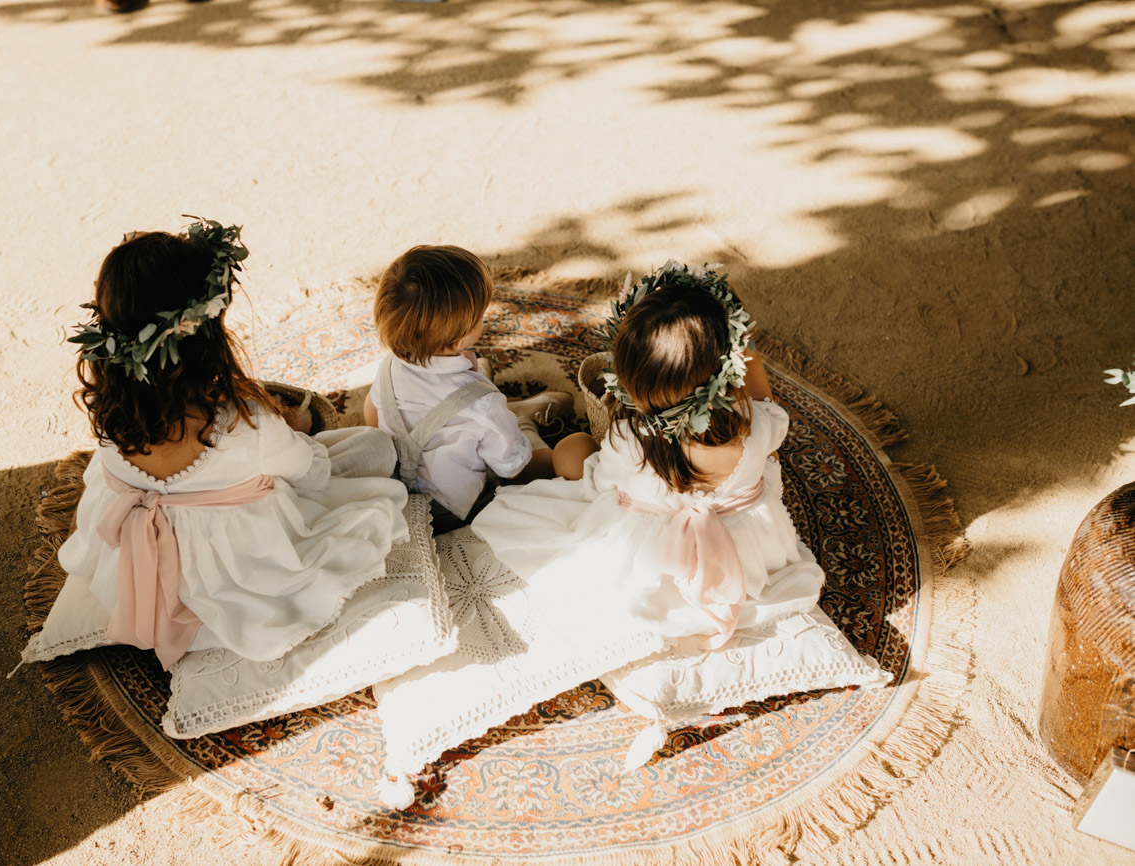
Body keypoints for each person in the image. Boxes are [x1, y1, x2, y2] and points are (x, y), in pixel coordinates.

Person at [59, 218, 408, 670]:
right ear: (206, 333)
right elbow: (313, 471)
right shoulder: (246, 421)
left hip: (144, 550)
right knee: (372, 449)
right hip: (234, 566)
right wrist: (294, 429)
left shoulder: (110, 417)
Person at [472, 262, 824, 648]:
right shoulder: (754, 428)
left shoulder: (630, 435)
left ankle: (526, 429)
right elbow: (764, 401)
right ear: (728, 369)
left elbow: (602, 486)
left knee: (573, 450)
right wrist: (747, 349)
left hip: (649, 561)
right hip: (749, 552)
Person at [363, 245, 577, 529]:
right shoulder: (482, 402)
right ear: (457, 341)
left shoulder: (389, 366)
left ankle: (504, 408)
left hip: (396, 493)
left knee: (471, 400)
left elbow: (371, 413)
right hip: (453, 512)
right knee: (554, 455)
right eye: (481, 316)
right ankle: (523, 420)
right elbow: (512, 468)